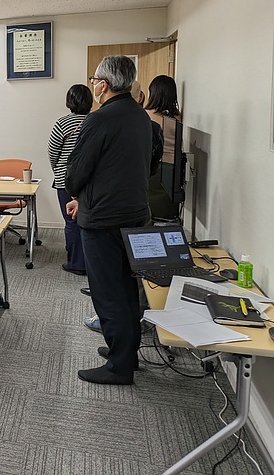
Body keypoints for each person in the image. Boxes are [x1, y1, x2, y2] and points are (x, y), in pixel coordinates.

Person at [66, 56, 161, 385]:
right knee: (127, 288)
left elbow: (76, 172)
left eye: (94, 80)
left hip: (103, 219)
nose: (93, 85)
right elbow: (150, 166)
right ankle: (125, 353)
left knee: (108, 292)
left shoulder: (99, 120)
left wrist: (78, 194)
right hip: (136, 215)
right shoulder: (142, 117)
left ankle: (119, 367)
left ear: (103, 85)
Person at [48, 84, 92, 277]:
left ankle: (75, 262)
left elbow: (53, 152)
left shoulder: (62, 123)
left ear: (69, 101)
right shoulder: (95, 121)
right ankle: (89, 262)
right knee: (88, 221)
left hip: (65, 180)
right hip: (89, 180)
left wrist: (58, 170)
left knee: (71, 221)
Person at [145, 74, 182, 220]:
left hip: (153, 166)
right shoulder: (178, 117)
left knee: (151, 210)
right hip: (174, 168)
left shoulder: (146, 115)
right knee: (168, 210)